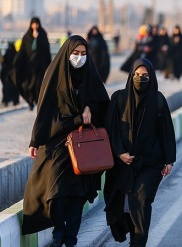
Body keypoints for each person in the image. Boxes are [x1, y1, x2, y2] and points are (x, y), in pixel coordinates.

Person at [22, 35, 110, 247]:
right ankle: (59, 232)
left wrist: (89, 107)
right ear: (66, 53)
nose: (79, 58)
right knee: (56, 194)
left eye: (83, 54)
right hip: (58, 142)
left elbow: (103, 105)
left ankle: (69, 239)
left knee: (78, 197)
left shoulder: (90, 77)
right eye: (75, 53)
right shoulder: (54, 75)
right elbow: (44, 112)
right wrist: (35, 140)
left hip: (84, 146)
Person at [104, 58, 176, 247]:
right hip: (123, 163)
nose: (140, 79)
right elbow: (111, 129)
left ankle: (138, 242)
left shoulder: (158, 100)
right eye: (137, 75)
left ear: (151, 77)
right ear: (131, 75)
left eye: (145, 76)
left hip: (151, 162)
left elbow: (166, 131)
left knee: (141, 200)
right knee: (122, 205)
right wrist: (120, 153)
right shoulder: (119, 99)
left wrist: (169, 160)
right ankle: (133, 235)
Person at [13, 17, 51, 110]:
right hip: (29, 65)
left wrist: (38, 38)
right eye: (33, 24)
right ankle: (30, 101)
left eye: (36, 23)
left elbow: (46, 49)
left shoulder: (42, 34)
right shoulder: (27, 36)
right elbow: (23, 50)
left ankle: (38, 102)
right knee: (28, 85)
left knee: (39, 84)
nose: (35, 26)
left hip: (40, 65)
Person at [1, 42, 20, 107]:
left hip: (7, 74)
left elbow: (4, 63)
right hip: (14, 74)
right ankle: (15, 101)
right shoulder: (16, 54)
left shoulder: (6, 54)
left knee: (6, 88)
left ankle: (6, 101)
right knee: (14, 88)